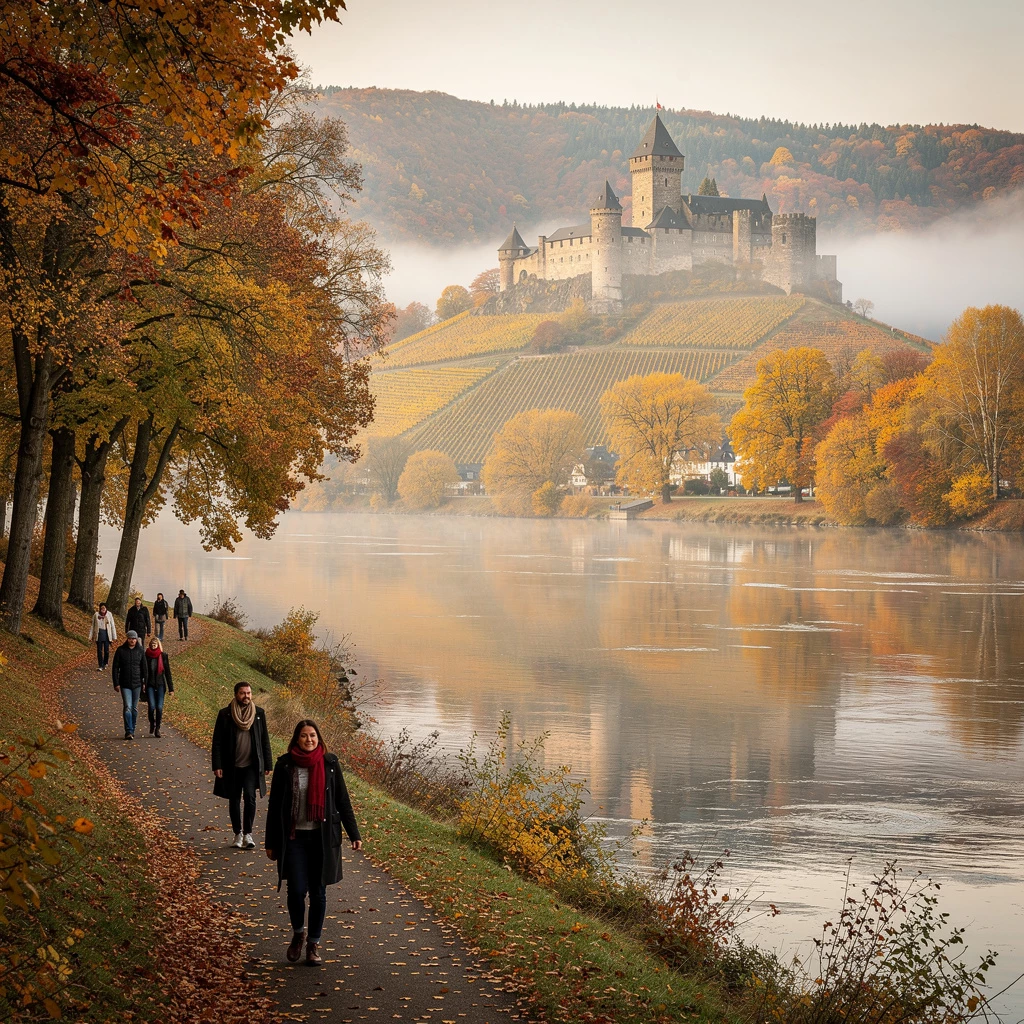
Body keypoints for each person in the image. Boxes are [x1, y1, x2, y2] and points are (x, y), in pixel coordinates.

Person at [265, 720, 362, 966]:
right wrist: (271, 842)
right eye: (304, 736)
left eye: (313, 735)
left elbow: (342, 800)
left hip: (321, 838)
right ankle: (299, 934)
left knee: (318, 893)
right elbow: (275, 806)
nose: (309, 740)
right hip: (294, 838)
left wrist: (354, 834)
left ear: (319, 738)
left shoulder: (330, 764)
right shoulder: (285, 765)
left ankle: (313, 943)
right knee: (296, 890)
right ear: (296, 739)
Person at [212, 682, 272, 850]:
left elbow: (264, 740)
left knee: (251, 797)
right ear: (236, 694)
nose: (246, 696)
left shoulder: (258, 714)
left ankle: (248, 833)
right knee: (234, 798)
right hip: (232, 764)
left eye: (249, 693)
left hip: (251, 765)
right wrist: (217, 765)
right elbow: (217, 742)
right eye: (242, 693)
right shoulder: (225, 714)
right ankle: (237, 833)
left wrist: (268, 763)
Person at [111, 630, 146, 740]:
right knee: (127, 707)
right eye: (130, 638)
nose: (132, 640)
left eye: (134, 639)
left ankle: (132, 727)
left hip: (137, 684)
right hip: (125, 683)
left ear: (136, 639)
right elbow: (115, 668)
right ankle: (128, 731)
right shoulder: (121, 651)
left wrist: (144, 682)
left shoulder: (140, 650)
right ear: (127, 639)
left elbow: (144, 668)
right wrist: (116, 683)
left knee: (134, 708)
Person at [144, 637, 174, 738]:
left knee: (159, 707)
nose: (153, 647)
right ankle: (152, 723)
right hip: (150, 684)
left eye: (155, 645)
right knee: (152, 706)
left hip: (160, 684)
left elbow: (168, 673)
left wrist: (171, 689)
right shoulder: (147, 656)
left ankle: (158, 728)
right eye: (152, 645)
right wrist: (143, 683)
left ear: (158, 645)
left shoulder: (163, 656)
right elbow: (144, 672)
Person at [88, 602, 117, 672]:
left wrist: (114, 636)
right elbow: (93, 626)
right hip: (99, 634)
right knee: (99, 650)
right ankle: (100, 665)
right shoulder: (96, 615)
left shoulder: (109, 614)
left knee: (106, 650)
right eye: (102, 608)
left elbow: (112, 626)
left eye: (104, 608)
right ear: (100, 608)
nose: (103, 609)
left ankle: (105, 662)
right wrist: (90, 636)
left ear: (106, 608)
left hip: (107, 634)